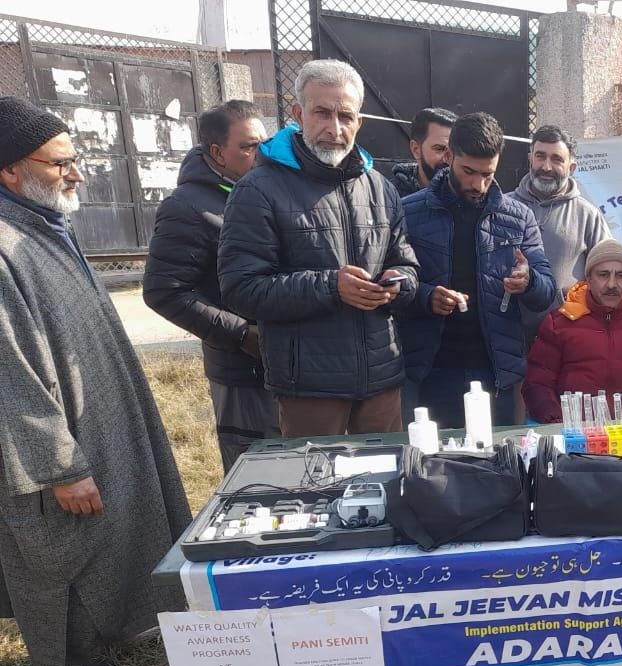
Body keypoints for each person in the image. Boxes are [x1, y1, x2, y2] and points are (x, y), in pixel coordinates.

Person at [0, 96, 191, 666]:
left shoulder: (41, 224)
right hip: (52, 451)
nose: (75, 172)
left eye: (74, 159)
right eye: (59, 163)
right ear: (8, 169)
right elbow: (9, 373)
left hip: (92, 420)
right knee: (59, 546)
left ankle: (109, 633)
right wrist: (59, 465)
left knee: (106, 527)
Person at [218, 59, 420, 437]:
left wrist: (399, 282)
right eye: (322, 113)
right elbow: (241, 289)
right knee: (317, 490)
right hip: (308, 388)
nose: (335, 128)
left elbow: (406, 264)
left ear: (359, 121)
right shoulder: (258, 189)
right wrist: (331, 287)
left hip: (381, 378)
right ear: (298, 114)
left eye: (346, 116)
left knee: (388, 486)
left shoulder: (380, 187)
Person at [144, 100, 279, 472]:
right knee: (258, 479)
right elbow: (164, 291)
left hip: (284, 365)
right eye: (249, 146)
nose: (260, 154)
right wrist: (241, 335)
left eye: (264, 144)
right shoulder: (187, 207)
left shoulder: (264, 194)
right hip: (241, 371)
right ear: (217, 152)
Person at [398, 112, 555, 428]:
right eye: (468, 171)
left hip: (496, 374)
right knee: (436, 468)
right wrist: (427, 296)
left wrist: (529, 281)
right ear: (449, 155)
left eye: (487, 174)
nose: (477, 184)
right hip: (431, 372)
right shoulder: (409, 212)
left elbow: (547, 293)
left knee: (502, 468)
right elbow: (394, 285)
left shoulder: (518, 216)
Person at [524, 238, 622, 422]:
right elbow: (537, 385)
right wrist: (558, 422)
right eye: (603, 274)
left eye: (621, 276)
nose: (611, 284)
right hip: (574, 434)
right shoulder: (558, 323)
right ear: (589, 279)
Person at [507, 124, 611, 343]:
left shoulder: (588, 215)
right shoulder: (504, 208)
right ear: (530, 159)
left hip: (569, 338)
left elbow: (608, 273)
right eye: (540, 156)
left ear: (571, 167)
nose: (546, 166)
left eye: (557, 159)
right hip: (508, 336)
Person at [390, 107, 456, 197]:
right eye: (439, 149)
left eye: (454, 150)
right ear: (416, 149)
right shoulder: (389, 197)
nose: (448, 158)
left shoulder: (469, 193)